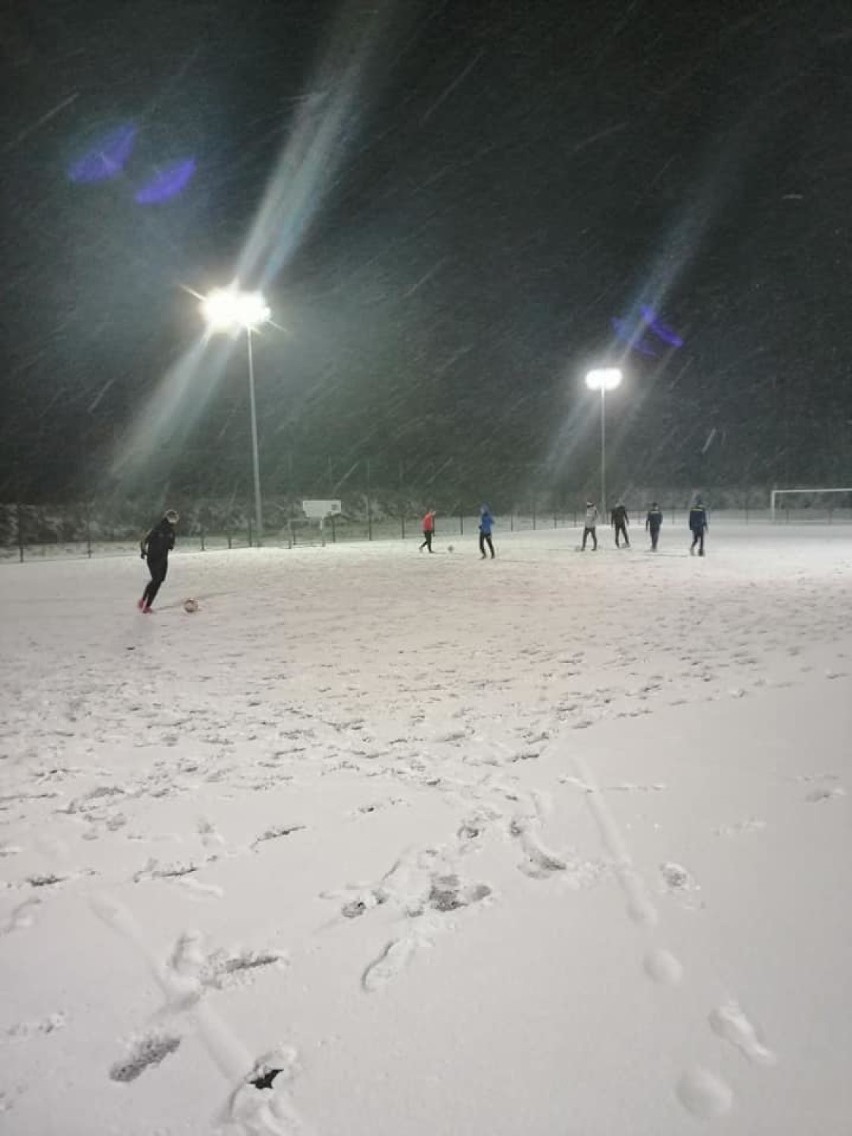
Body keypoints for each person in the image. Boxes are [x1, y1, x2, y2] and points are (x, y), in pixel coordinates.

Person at [138, 509, 179, 612]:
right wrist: (143, 551)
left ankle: (147, 606)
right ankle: (143, 600)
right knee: (156, 579)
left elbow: (171, 545)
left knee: (159, 581)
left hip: (163, 559)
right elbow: (144, 540)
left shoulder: (171, 532)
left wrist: (170, 545)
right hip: (153, 558)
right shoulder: (157, 528)